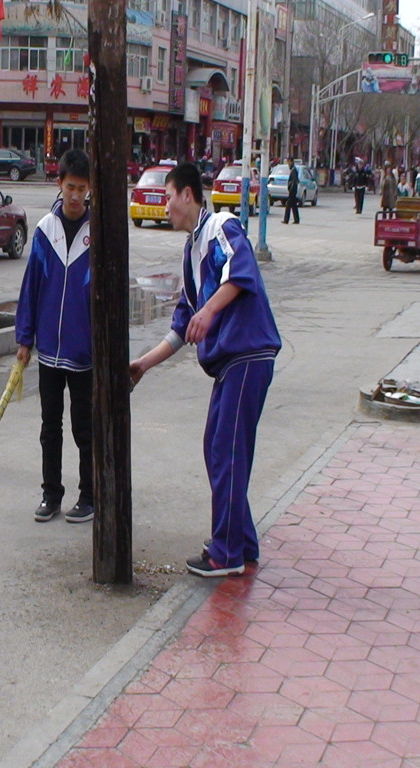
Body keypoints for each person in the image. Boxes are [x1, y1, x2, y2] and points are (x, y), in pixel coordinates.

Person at [129, 163, 281, 577]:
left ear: (188, 194)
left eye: (169, 195)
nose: (166, 207)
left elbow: (241, 273)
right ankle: (241, 540)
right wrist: (143, 364)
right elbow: (182, 325)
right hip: (230, 363)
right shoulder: (191, 251)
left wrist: (210, 312)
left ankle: (226, 552)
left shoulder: (222, 227)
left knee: (225, 450)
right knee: (220, 448)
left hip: (248, 354)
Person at [14, 149, 94, 525]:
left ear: (89, 189)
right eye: (70, 187)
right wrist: (24, 339)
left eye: (81, 188)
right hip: (49, 352)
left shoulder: (99, 234)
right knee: (51, 428)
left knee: (84, 427)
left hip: (84, 355)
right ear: (59, 185)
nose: (75, 195)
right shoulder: (46, 231)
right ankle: (51, 494)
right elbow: (31, 287)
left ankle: (89, 494)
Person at [282, 157, 300, 224]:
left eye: (289, 162)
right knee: (294, 206)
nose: (288, 164)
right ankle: (296, 219)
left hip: (293, 190)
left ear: (292, 162)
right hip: (293, 190)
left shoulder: (294, 170)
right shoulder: (293, 169)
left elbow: (294, 181)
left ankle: (286, 220)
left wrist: (291, 189)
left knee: (288, 205)